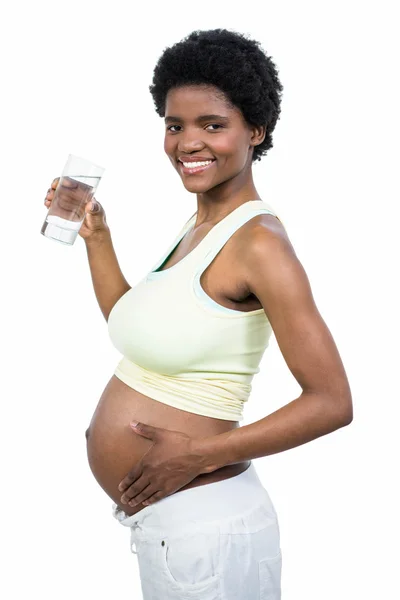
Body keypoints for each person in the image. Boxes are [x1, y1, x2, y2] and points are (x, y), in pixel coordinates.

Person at [44, 28, 353, 600]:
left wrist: (195, 456)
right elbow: (139, 331)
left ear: (255, 131)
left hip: (207, 528)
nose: (188, 142)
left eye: (212, 125)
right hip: (177, 527)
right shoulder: (199, 228)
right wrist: (98, 238)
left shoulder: (260, 244)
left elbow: (332, 403)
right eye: (174, 124)